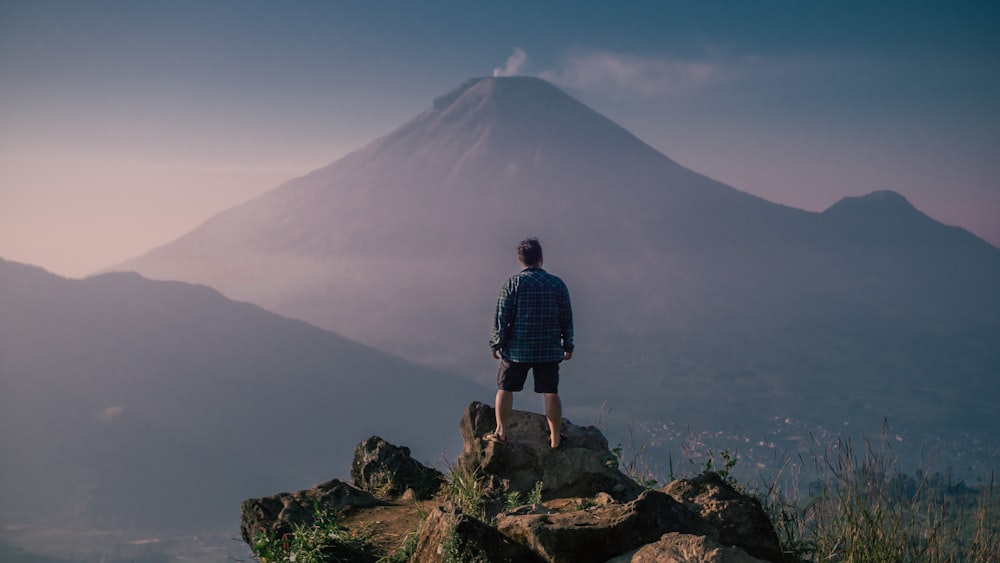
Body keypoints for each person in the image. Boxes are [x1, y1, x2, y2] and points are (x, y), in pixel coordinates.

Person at [487, 238, 574, 449]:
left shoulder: (512, 284)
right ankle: (555, 437)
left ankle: (501, 432)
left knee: (505, 388)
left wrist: (496, 343)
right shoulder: (557, 284)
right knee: (551, 393)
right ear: (541, 258)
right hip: (549, 349)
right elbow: (566, 317)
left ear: (520, 260)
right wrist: (568, 345)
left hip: (517, 349)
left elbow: (502, 317)